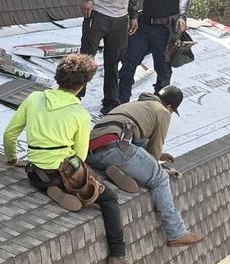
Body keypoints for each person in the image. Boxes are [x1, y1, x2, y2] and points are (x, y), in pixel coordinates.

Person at [3, 54, 134, 264]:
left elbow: (10, 134)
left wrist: (12, 159)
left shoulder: (34, 98)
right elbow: (80, 155)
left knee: (47, 172)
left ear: (58, 77)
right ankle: (117, 255)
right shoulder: (80, 114)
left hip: (36, 171)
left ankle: (48, 187)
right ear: (83, 85)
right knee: (109, 198)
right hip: (64, 171)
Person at [86, 86, 203, 247]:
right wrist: (157, 161)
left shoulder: (135, 105)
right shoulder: (161, 111)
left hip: (92, 152)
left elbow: (135, 137)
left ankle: (115, 170)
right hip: (117, 147)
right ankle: (176, 233)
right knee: (159, 178)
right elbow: (154, 152)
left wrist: (153, 156)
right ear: (169, 107)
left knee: (128, 158)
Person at [118, 0, 191, 104]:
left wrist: (182, 16)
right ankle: (121, 101)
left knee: (163, 70)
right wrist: (133, 16)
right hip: (142, 25)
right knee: (129, 63)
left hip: (166, 28)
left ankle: (159, 105)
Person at [80, 0, 138, 115]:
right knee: (85, 59)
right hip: (98, 13)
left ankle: (110, 102)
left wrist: (133, 16)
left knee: (113, 62)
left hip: (121, 18)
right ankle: (74, 96)